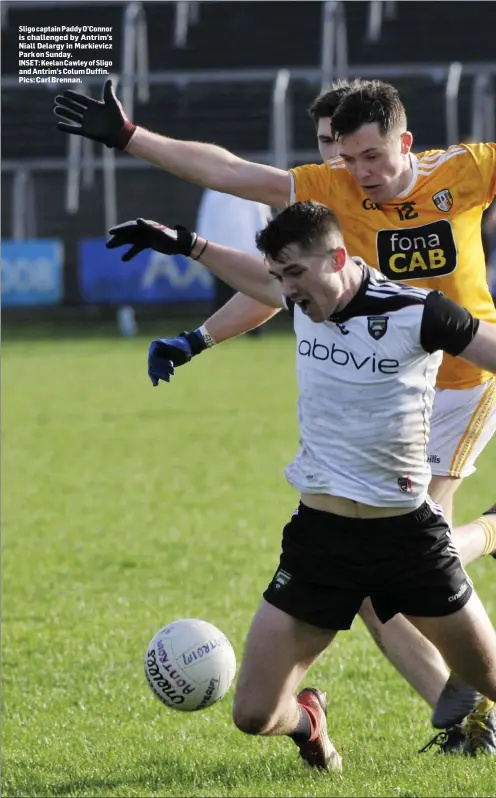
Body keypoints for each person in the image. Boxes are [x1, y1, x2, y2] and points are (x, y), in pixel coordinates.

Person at [55, 78, 496, 747]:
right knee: (386, 583)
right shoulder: (326, 210)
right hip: (372, 420)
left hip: (464, 377)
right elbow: (234, 183)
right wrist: (129, 139)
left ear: (405, 143)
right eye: (347, 157)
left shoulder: (463, 173)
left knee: (417, 537)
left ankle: (469, 664)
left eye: (371, 156)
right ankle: (451, 698)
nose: (360, 172)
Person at [107, 201, 496, 768]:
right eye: (279, 276)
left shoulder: (419, 312)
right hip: (320, 542)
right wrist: (185, 244)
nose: (286, 290)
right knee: (255, 715)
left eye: (294, 274)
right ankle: (309, 720)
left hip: (409, 542)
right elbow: (253, 278)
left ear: (337, 258)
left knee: (487, 678)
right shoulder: (301, 302)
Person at [196, 188, 271, 331]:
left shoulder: (252, 190)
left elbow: (262, 220)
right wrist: (203, 246)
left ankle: (254, 328)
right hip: (221, 251)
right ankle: (218, 329)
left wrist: (265, 246)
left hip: (249, 251)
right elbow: (205, 219)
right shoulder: (213, 193)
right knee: (223, 292)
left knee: (252, 291)